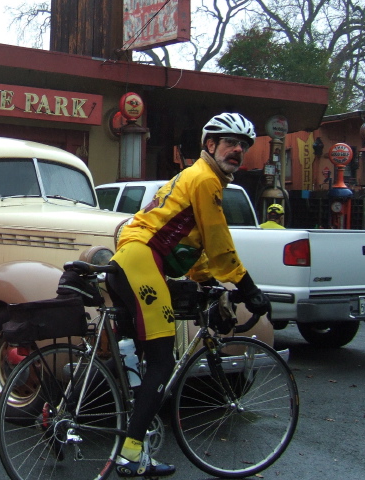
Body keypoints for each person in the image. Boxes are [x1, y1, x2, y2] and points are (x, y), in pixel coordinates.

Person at [108, 112, 272, 477]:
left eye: (243, 146)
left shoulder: (195, 177)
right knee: (163, 361)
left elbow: (193, 244)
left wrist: (208, 280)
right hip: (141, 261)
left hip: (133, 260)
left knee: (144, 358)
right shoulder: (205, 180)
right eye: (230, 143)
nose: (238, 151)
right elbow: (218, 239)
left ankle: (133, 435)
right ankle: (130, 456)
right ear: (210, 145)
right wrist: (247, 288)